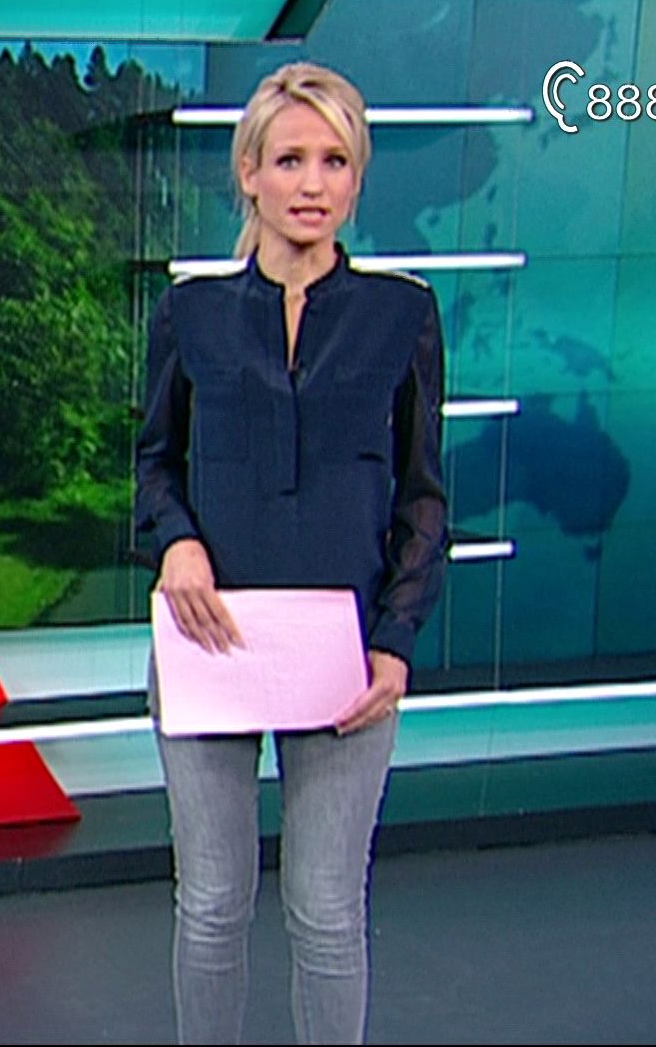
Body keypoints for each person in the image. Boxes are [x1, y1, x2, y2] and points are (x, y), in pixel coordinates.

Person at [135, 62, 447, 1045]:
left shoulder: (403, 314)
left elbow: (423, 494)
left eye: (335, 161)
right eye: (290, 160)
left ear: (357, 178)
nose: (313, 183)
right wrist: (178, 543)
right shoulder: (190, 313)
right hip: (208, 640)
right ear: (249, 174)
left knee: (325, 911)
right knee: (212, 905)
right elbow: (153, 464)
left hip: (345, 657)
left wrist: (395, 643)